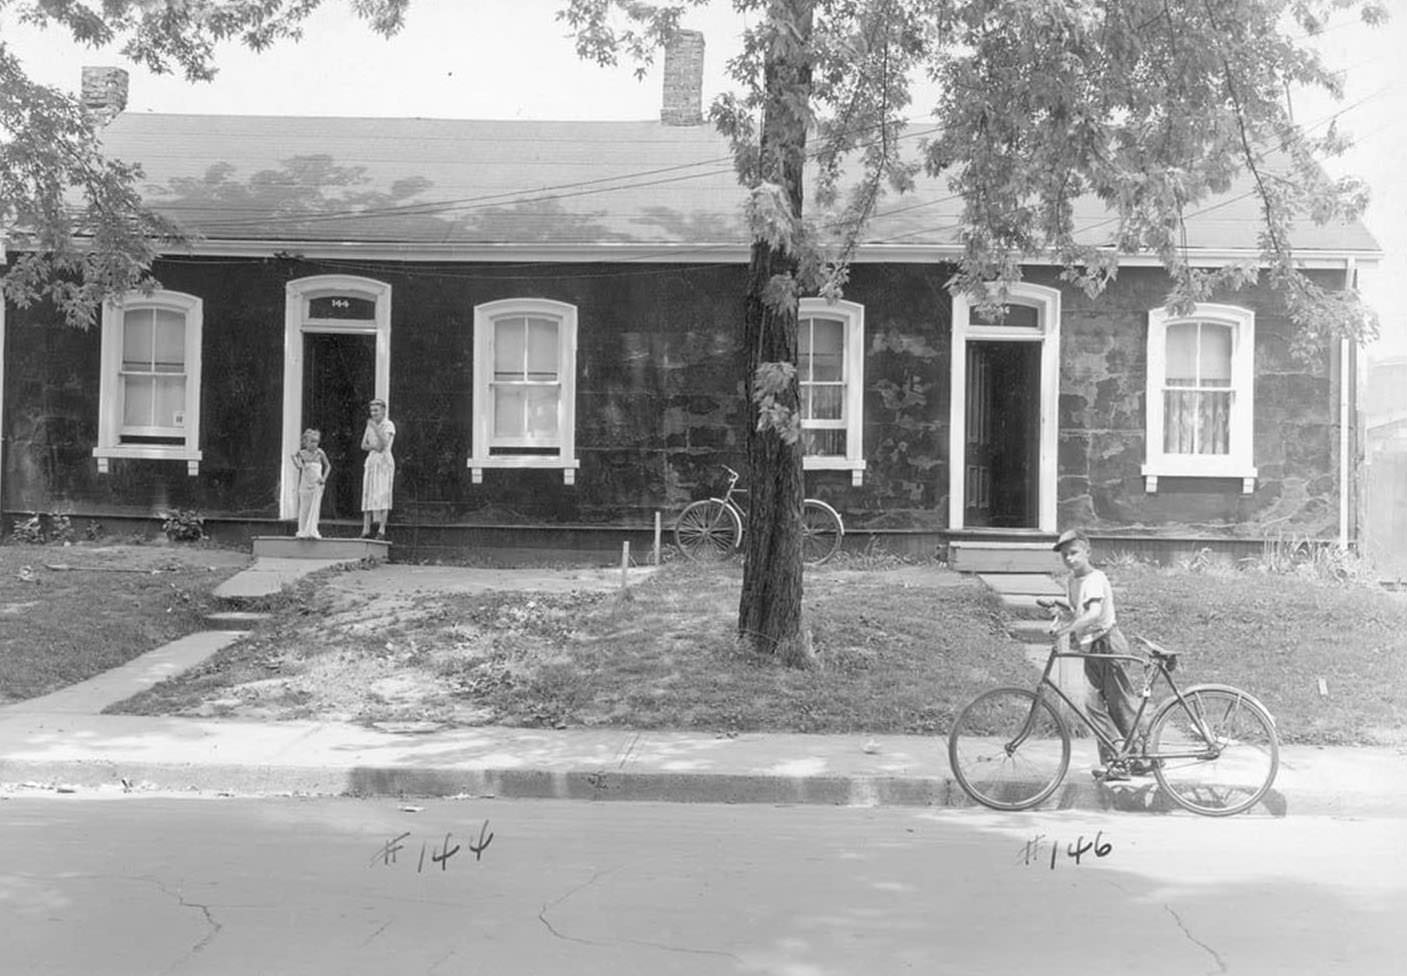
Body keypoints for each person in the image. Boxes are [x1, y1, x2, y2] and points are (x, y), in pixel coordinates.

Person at [1046, 529, 1147, 782]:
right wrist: (1061, 614)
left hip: (1108, 644)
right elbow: (1077, 612)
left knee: (1119, 704)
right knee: (1093, 705)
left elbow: (1092, 614)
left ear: (1087, 552)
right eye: (1064, 555)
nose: (1069, 559)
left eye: (1074, 553)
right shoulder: (1072, 581)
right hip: (1091, 646)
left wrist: (1068, 630)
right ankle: (1118, 759)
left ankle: (1140, 757)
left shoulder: (1094, 578)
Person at [360, 398, 395, 539]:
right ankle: (366, 529)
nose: (373, 413)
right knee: (368, 493)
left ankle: (381, 529)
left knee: (382, 494)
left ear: (383, 410)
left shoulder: (388, 425)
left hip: (384, 463)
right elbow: (363, 445)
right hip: (372, 461)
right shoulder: (370, 425)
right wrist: (373, 446)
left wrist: (375, 429)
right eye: (371, 410)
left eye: (376, 410)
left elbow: (383, 445)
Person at [291, 428, 331, 539]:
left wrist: (324, 478)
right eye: (311, 441)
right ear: (305, 442)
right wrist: (298, 464)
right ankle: (303, 530)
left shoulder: (320, 453)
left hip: (317, 485)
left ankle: (312, 530)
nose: (314, 444)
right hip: (305, 485)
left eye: (316, 441)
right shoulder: (302, 453)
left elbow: (328, 466)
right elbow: (294, 457)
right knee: (304, 507)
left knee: (315, 507)